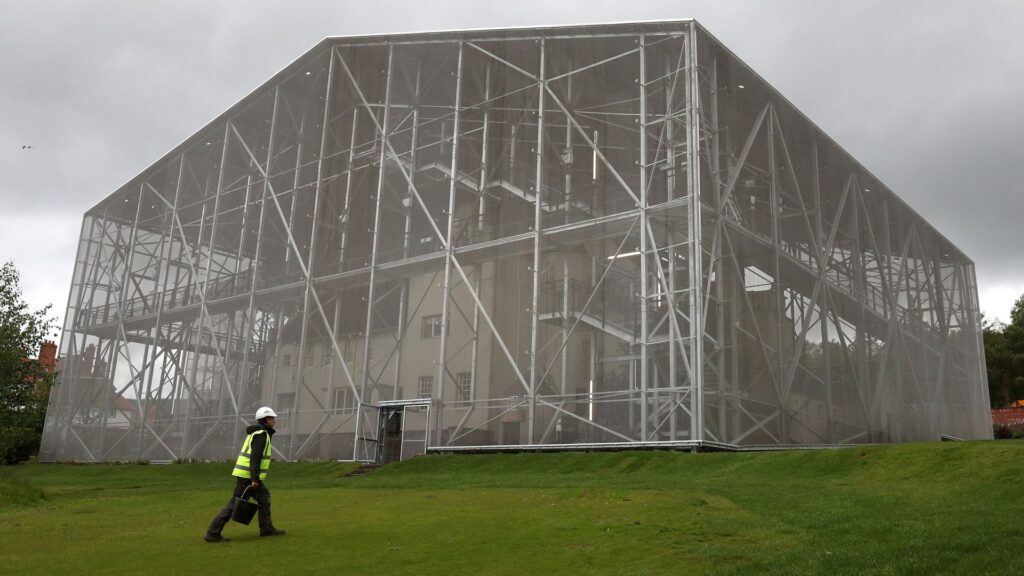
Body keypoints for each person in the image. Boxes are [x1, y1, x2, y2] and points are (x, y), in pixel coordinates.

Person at [204, 406, 286, 542]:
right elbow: (255, 457)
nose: (275, 421)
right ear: (266, 420)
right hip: (248, 476)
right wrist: (254, 479)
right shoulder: (261, 435)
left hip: (246, 475)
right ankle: (212, 533)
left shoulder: (259, 433)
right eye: (272, 419)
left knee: (264, 498)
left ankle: (267, 528)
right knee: (235, 504)